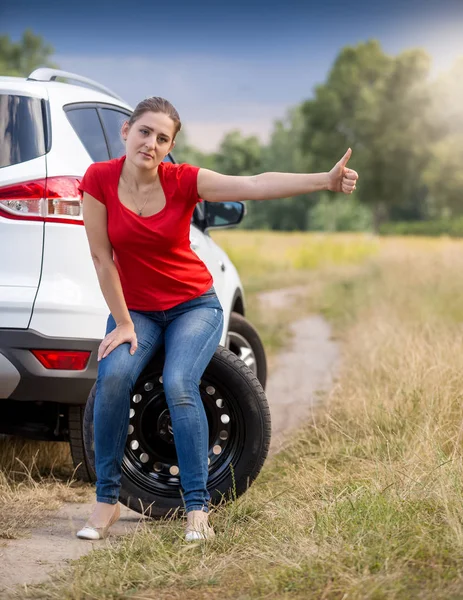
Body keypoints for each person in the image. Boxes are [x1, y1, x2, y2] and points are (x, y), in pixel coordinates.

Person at [76, 96, 359, 543]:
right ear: (126, 131)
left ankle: (196, 511)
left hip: (193, 305)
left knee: (178, 383)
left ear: (170, 146)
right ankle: (106, 503)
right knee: (113, 377)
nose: (151, 143)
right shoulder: (98, 180)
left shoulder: (185, 180)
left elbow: (254, 183)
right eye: (145, 132)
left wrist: (323, 180)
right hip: (137, 313)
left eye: (162, 138)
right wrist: (124, 324)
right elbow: (101, 258)